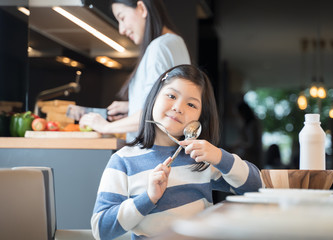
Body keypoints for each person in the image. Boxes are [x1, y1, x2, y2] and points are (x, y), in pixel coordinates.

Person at [91, 65, 263, 239]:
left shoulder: (200, 160)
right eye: (171, 96)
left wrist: (220, 156)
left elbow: (256, 188)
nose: (178, 107)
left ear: (200, 118)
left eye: (191, 104)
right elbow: (101, 230)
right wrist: (148, 198)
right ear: (154, 97)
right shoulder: (123, 161)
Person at [79, 0, 191, 142]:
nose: (121, 30)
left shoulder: (158, 47)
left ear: (141, 8)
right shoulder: (176, 42)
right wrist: (132, 107)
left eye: (122, 18)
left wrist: (105, 127)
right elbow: (168, 104)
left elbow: (152, 114)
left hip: (150, 153)